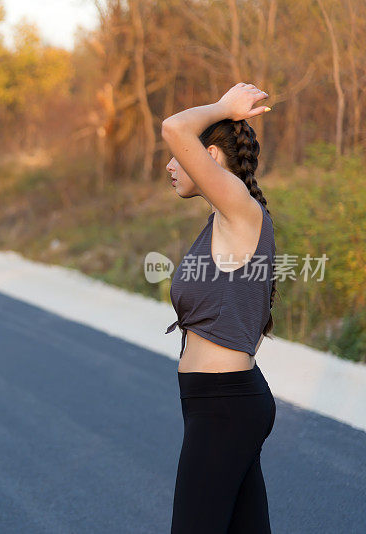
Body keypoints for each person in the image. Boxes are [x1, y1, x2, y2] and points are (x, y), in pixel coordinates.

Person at [162, 83, 278, 533]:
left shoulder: (239, 210)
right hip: (217, 402)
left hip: (225, 404)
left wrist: (221, 108)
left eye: (179, 157)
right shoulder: (222, 220)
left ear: (209, 155)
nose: (170, 166)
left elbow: (174, 128)